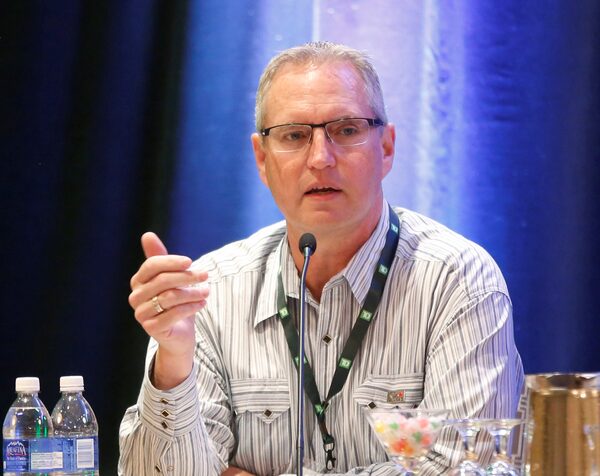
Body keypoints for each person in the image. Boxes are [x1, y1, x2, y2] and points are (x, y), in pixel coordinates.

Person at [119, 41, 523, 475]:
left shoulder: (458, 280)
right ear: (262, 159)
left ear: (386, 148)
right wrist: (174, 362)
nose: (320, 158)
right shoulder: (209, 292)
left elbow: (466, 468)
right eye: (294, 135)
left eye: (346, 130)